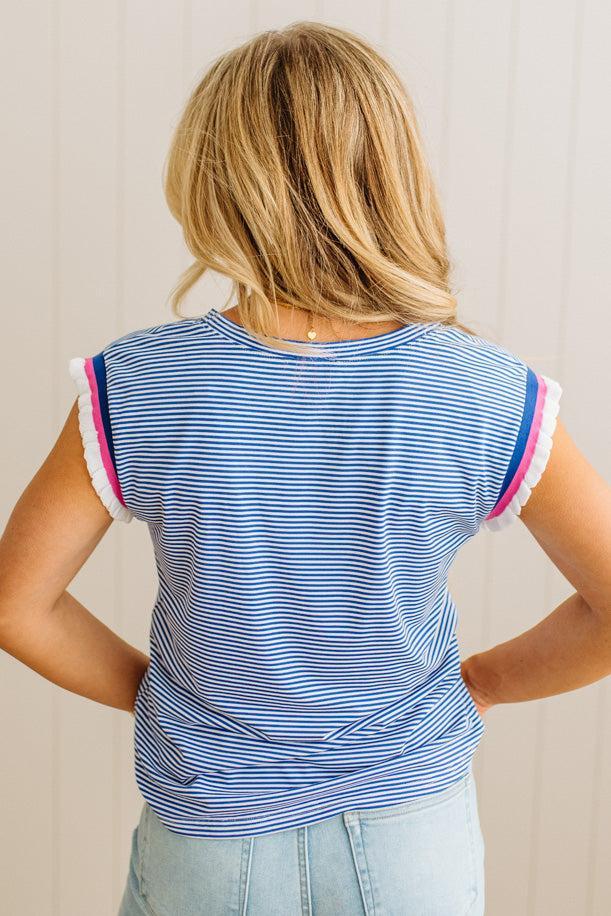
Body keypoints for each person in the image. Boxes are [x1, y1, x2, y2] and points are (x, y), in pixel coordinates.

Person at [1, 20, 610, 916]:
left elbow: (17, 605)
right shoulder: (484, 392)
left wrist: (169, 704)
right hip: (413, 839)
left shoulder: (139, 384)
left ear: (211, 180)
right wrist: (480, 682)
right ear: (394, 174)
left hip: (209, 834)